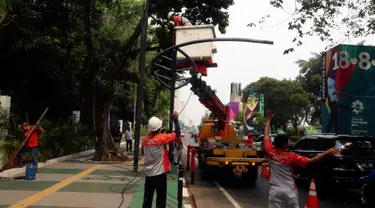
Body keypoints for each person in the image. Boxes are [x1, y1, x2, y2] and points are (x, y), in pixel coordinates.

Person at [263, 110, 340, 208]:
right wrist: (327, 152)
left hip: (275, 191)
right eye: (288, 141)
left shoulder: (270, 151)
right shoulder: (292, 156)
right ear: (284, 144)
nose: (289, 143)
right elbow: (311, 161)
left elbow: (266, 135)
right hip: (289, 191)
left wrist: (268, 120)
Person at [141, 112, 181, 208]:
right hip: (160, 175)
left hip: (149, 174)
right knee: (161, 200)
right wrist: (175, 120)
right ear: (159, 128)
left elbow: (143, 152)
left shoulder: (145, 140)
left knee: (147, 200)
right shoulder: (162, 138)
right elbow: (177, 134)